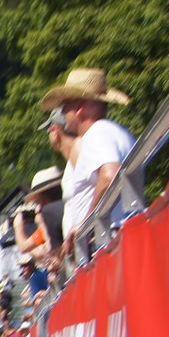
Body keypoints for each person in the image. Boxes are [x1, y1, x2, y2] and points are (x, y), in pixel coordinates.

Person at [39, 68, 135, 256]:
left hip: (107, 243)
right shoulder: (117, 132)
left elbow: (110, 175)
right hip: (118, 236)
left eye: (66, 105)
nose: (63, 112)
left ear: (80, 107)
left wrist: (86, 223)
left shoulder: (95, 134)